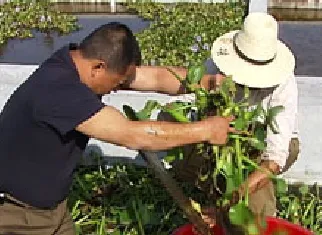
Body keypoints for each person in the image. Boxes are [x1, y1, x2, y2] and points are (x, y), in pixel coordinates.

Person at [0, 22, 234, 235]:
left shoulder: (76, 61)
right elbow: (131, 134)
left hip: (53, 208)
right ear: (99, 67)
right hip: (20, 215)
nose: (116, 90)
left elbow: (156, 78)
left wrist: (209, 83)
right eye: (117, 83)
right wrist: (206, 130)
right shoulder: (59, 91)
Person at [174, 12, 300, 221]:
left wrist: (229, 202)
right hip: (224, 135)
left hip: (262, 142)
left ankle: (229, 197)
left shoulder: (284, 84)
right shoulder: (217, 65)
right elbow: (199, 108)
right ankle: (213, 186)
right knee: (185, 154)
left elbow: (275, 158)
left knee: (255, 213)